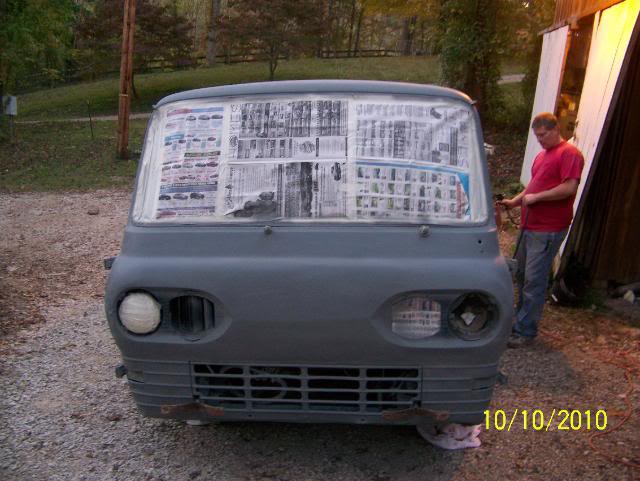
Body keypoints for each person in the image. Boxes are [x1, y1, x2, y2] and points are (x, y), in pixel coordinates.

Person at [499, 112, 584, 348]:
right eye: (537, 136)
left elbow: (569, 188)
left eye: (543, 135)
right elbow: (533, 188)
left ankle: (525, 332)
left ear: (555, 129)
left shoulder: (570, 154)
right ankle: (520, 320)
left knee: (534, 281)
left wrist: (538, 198)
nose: (540, 140)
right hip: (529, 226)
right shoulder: (541, 156)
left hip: (548, 229)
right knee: (522, 275)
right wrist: (514, 202)